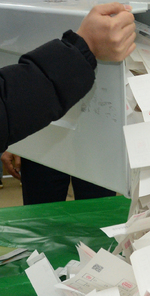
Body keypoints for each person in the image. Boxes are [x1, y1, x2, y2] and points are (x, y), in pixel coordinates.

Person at [0, 2, 136, 204]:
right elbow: (12, 48)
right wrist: (14, 139)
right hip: (41, 126)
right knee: (41, 218)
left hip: (99, 125)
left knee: (95, 217)